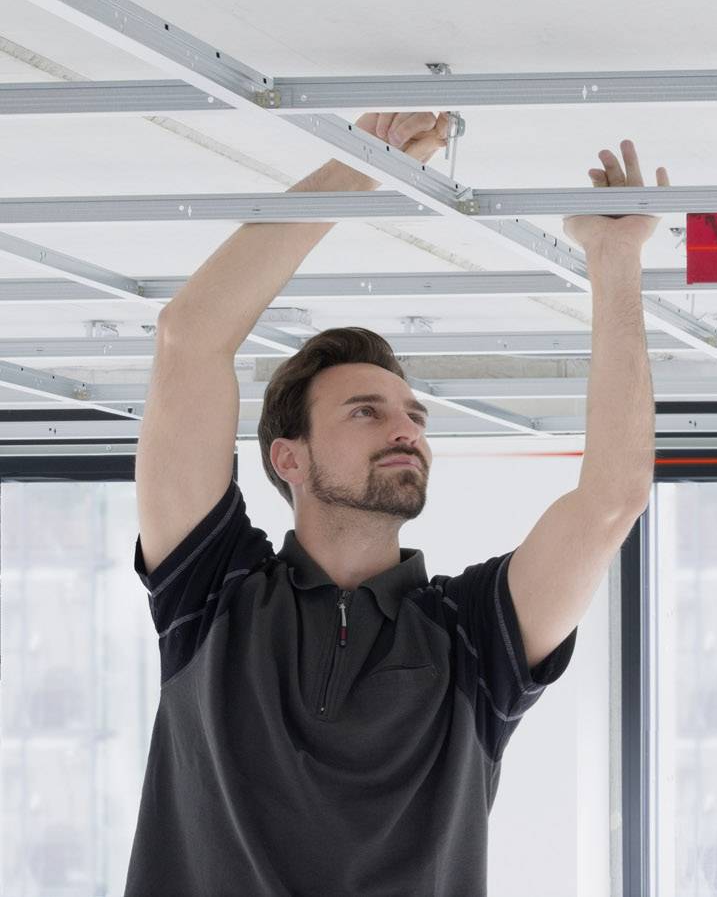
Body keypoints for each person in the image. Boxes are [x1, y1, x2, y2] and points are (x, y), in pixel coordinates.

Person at [124, 112, 665, 897]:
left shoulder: (476, 638)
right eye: (365, 412)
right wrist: (357, 169)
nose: (407, 430)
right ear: (289, 458)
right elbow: (190, 336)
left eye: (414, 415)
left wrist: (615, 260)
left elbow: (613, 498)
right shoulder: (208, 596)